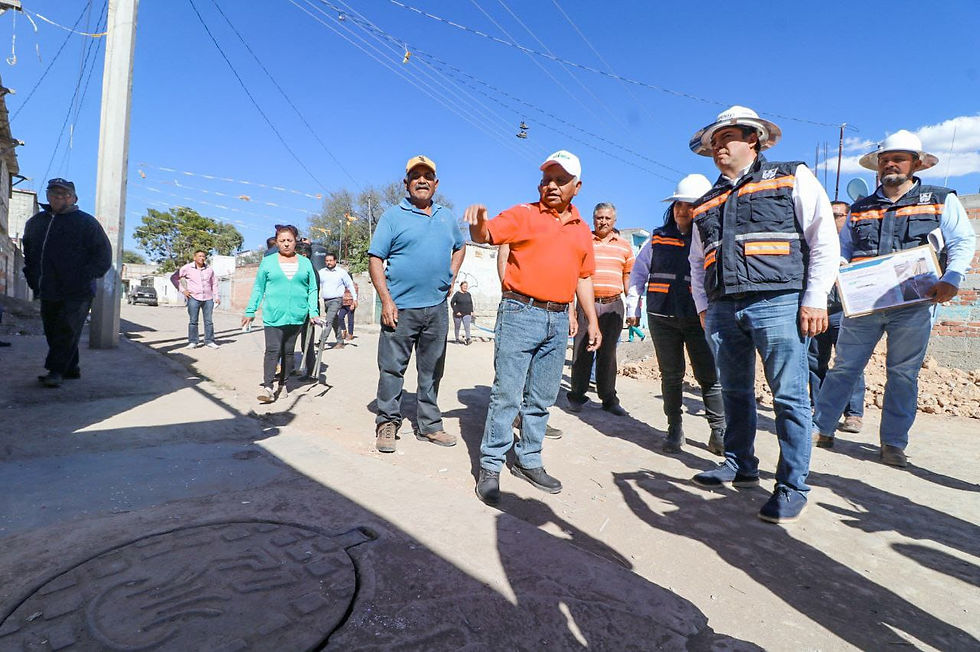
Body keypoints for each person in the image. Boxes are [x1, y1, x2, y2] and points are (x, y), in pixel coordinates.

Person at [687, 106, 839, 524]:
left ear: (753, 139)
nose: (719, 147)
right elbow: (698, 263)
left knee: (789, 396)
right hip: (722, 308)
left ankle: (792, 486)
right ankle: (740, 464)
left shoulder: (792, 176)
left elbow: (823, 238)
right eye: (714, 142)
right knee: (734, 391)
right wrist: (704, 307)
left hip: (779, 303)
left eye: (727, 138)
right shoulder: (705, 202)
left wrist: (815, 299)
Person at [812, 131, 976, 466]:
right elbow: (843, 250)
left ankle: (893, 444)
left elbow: (961, 241)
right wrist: (841, 271)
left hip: (915, 306)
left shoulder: (941, 198)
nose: (890, 164)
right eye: (885, 159)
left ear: (916, 163)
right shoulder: (860, 208)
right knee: (845, 368)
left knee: (903, 373)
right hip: (863, 305)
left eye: (898, 158)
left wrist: (952, 278)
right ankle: (822, 428)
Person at [465, 150, 600, 505]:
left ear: (577, 186)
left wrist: (592, 320)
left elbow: (584, 277)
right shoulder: (523, 214)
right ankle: (491, 465)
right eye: (546, 179)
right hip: (520, 312)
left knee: (541, 397)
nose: (551, 185)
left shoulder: (582, 230)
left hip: (558, 320)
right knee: (507, 394)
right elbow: (485, 234)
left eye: (561, 179)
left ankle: (529, 459)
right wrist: (477, 221)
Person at [368, 155, 465, 452]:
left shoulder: (447, 217)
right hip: (400, 307)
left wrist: (452, 276)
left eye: (427, 176)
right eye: (416, 175)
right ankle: (387, 422)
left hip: (436, 308)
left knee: (432, 370)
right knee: (392, 368)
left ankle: (430, 425)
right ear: (407, 183)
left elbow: (460, 247)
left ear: (436, 184)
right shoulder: (392, 216)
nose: (422, 180)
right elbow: (375, 259)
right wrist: (386, 300)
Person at [626, 174, 726, 454]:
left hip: (700, 319)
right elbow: (638, 274)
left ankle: (718, 432)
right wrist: (633, 306)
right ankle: (674, 429)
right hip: (662, 318)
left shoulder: (712, 239)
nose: (683, 210)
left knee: (709, 376)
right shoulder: (657, 238)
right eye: (678, 204)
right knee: (671, 376)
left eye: (690, 205)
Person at [22, 178, 112, 388]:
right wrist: (32, 276)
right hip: (47, 288)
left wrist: (86, 275)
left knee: (66, 329)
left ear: (74, 198)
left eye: (64, 194)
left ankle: (55, 371)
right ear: (47, 196)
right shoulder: (36, 223)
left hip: (78, 290)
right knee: (53, 330)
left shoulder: (86, 223)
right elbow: (30, 253)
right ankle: (71, 368)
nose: (59, 198)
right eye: (54, 194)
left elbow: (103, 254)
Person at [566, 203, 634, 417]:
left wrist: (633, 307)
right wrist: (571, 310)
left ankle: (609, 399)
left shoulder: (624, 246)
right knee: (581, 352)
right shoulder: (584, 242)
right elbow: (572, 276)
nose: (603, 221)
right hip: (587, 305)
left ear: (614, 221)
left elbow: (628, 276)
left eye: (607, 218)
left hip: (614, 305)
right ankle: (577, 396)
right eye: (599, 218)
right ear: (593, 219)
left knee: (609, 354)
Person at [242, 224, 320, 403]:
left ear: (295, 242)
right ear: (276, 242)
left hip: (297, 316)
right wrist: (250, 310)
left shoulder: (305, 262)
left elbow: (312, 289)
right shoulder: (268, 262)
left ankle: (283, 384)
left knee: (288, 351)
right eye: (282, 240)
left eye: (289, 241)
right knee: (273, 349)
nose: (286, 244)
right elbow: (258, 288)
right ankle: (268, 387)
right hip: (273, 315)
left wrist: (313, 312)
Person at [808, 201, 865, 434]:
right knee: (814, 362)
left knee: (849, 363)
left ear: (847, 217)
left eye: (837, 215)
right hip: (818, 310)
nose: (831, 220)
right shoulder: (816, 244)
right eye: (827, 215)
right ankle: (819, 410)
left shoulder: (855, 247)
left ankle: (853, 414)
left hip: (846, 312)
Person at [497, 244, 565, 441]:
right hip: (521, 308)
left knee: (539, 377)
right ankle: (509, 424)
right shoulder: (523, 217)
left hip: (553, 310)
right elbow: (504, 252)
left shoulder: (559, 226)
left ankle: (529, 424)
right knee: (510, 381)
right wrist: (507, 291)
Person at [177, 250, 221, 350]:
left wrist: (217, 297)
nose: (202, 258)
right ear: (194, 257)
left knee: (209, 321)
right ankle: (193, 341)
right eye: (199, 256)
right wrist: (183, 290)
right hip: (194, 298)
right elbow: (175, 278)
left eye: (203, 256)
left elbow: (214, 283)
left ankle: (209, 341)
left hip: (208, 298)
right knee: (193, 321)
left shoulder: (209, 269)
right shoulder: (187, 268)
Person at [318, 253, 356, 350]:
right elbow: (316, 284)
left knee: (328, 320)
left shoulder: (341, 272)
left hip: (336, 300)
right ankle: (340, 342)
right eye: (327, 261)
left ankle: (321, 342)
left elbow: (350, 285)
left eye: (330, 260)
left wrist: (354, 299)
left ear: (335, 261)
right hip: (326, 301)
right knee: (334, 321)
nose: (328, 262)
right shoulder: (322, 272)